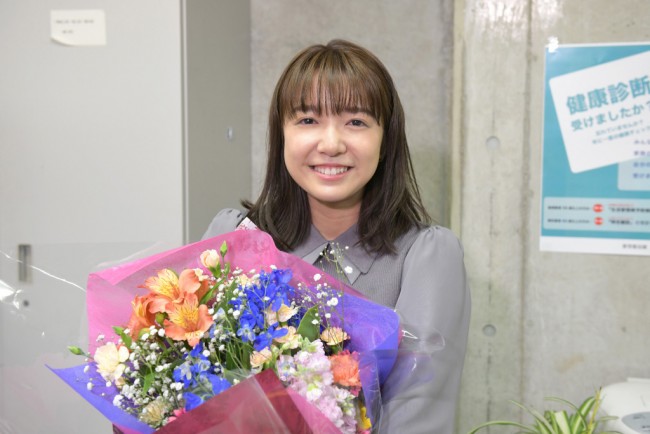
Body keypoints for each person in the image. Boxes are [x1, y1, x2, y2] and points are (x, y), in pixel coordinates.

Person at [203, 39, 471, 434]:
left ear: (386, 139)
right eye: (308, 120)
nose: (330, 144)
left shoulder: (426, 258)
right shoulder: (234, 236)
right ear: (281, 134)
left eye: (356, 122)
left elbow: (417, 417)